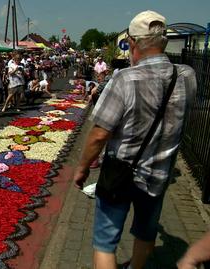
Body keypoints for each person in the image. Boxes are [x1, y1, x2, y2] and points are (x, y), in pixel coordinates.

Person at [73, 10, 197, 269]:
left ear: (132, 43)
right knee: (145, 233)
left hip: (120, 174)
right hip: (159, 175)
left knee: (105, 243)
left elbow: (99, 134)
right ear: (163, 42)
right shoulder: (186, 76)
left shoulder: (124, 79)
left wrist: (83, 167)